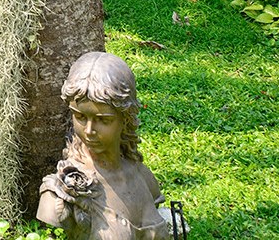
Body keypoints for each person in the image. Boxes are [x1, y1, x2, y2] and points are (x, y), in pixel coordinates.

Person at [36, 51, 176, 240]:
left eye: (103, 120)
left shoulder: (143, 176)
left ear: (125, 119)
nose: (89, 130)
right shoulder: (60, 195)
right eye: (80, 117)